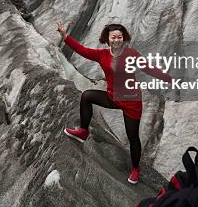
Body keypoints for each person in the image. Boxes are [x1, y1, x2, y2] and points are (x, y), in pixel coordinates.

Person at [56, 22, 172, 185]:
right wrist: (65, 36)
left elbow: (149, 69)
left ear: (123, 39)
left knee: (133, 138)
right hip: (112, 97)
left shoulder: (131, 54)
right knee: (87, 96)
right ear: (107, 39)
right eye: (113, 37)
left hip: (131, 101)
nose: (117, 40)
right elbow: (82, 50)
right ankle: (83, 131)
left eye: (119, 37)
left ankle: (135, 169)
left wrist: (170, 78)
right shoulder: (102, 55)